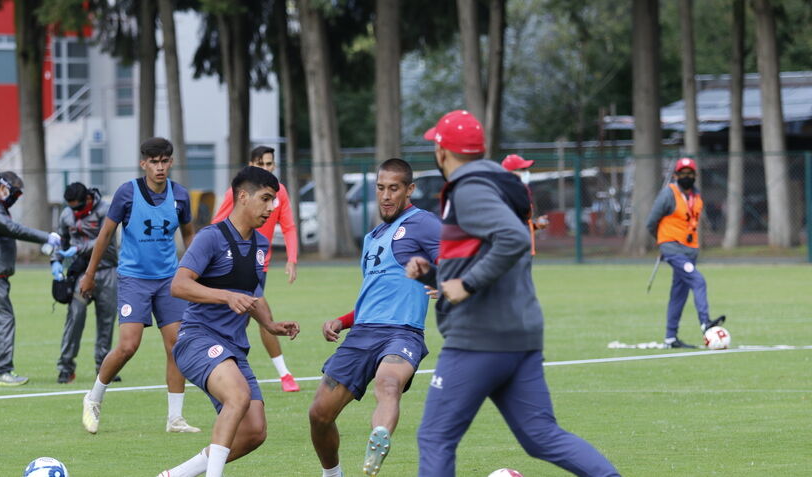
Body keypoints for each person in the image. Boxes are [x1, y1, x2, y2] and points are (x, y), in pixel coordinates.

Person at [407, 110, 620, 477]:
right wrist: (435, 275)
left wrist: (466, 284)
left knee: (435, 437)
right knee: (541, 437)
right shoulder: (497, 182)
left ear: (442, 152)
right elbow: (488, 255)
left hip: (479, 339)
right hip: (519, 335)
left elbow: (514, 237)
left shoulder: (470, 188)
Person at [156, 166, 300, 477]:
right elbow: (178, 285)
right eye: (265, 199)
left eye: (274, 200)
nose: (271, 208)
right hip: (197, 339)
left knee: (254, 431)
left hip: (233, 348)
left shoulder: (260, 245)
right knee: (238, 396)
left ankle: (175, 475)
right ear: (243, 196)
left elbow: (252, 295)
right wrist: (226, 297)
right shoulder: (211, 237)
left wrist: (269, 325)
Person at [309, 158, 441, 477]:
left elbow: (457, 259)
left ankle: (379, 436)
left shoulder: (423, 223)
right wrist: (342, 321)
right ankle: (333, 474)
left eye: (394, 188)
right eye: (381, 188)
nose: (385, 195)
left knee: (388, 383)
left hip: (403, 333)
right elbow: (375, 297)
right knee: (319, 414)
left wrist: (445, 280)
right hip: (362, 334)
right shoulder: (371, 239)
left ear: (409, 189)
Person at [79, 137, 200, 434]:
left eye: (164, 161)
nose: (160, 167)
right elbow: (105, 236)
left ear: (171, 162)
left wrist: (196, 271)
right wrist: (89, 274)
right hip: (134, 278)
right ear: (143, 163)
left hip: (169, 280)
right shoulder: (127, 193)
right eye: (154, 162)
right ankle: (93, 398)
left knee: (177, 346)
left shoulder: (180, 196)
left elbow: (189, 235)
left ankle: (175, 418)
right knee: (128, 346)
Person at [211, 145, 301, 392]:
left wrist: (291, 258)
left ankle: (223, 366)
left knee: (242, 320)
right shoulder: (239, 192)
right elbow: (217, 223)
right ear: (251, 165)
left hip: (261, 266)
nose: (266, 168)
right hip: (237, 265)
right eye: (261, 164)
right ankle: (285, 375)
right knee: (262, 313)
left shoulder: (279, 192)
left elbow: (289, 226)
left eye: (269, 164)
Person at [0, 171, 62, 386]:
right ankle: (2, 371)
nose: (15, 199)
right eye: (15, 194)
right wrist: (46, 237)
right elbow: (11, 228)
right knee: (3, 320)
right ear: (3, 188)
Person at [646, 157, 725, 349]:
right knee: (698, 281)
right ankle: (705, 323)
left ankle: (670, 338)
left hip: (690, 251)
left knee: (679, 293)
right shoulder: (668, 194)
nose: (687, 176)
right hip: (673, 248)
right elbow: (651, 222)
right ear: (676, 175)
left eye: (690, 173)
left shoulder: (696, 196)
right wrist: (664, 242)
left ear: (695, 176)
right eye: (683, 173)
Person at [51, 182, 118, 384]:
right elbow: (61, 241)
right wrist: (55, 261)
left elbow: (105, 238)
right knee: (75, 316)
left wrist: (78, 248)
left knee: (106, 320)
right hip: (81, 274)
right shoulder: (66, 215)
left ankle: (104, 367)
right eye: (71, 207)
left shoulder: (106, 210)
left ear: (88, 199)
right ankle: (65, 367)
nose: (75, 211)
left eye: (78, 207)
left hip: (107, 271)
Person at [501, 153, 548, 255]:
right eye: (522, 169)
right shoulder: (505, 194)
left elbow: (521, 225)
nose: (526, 172)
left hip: (522, 251)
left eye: (525, 169)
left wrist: (536, 225)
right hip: (511, 252)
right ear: (509, 173)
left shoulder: (523, 192)